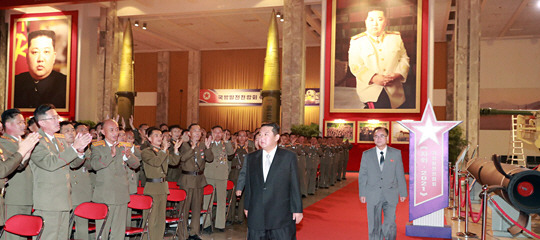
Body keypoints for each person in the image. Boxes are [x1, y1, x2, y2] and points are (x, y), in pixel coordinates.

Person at [29, 104, 92, 240]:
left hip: (64, 199)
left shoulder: (60, 140)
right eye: (53, 118)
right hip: (48, 201)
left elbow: (73, 164)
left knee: (62, 236)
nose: (58, 120)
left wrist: (80, 151)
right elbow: (50, 164)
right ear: (41, 122)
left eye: (57, 117)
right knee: (48, 237)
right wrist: (74, 148)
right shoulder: (36, 141)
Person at [244, 123, 303, 239]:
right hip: (257, 213)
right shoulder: (251, 158)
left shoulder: (288, 157)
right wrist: (247, 206)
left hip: (281, 215)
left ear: (276, 138)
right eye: (260, 135)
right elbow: (249, 184)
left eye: (266, 134)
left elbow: (294, 184)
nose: (261, 138)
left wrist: (297, 209)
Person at [348, 9, 410, 109]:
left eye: (380, 19)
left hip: (396, 92)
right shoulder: (357, 41)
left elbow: (404, 58)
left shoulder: (395, 38)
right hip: (371, 91)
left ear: (385, 22)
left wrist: (398, 74)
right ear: (366, 22)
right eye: (371, 20)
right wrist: (374, 78)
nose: (375, 24)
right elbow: (355, 65)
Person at [90, 119, 140, 240]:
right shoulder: (97, 146)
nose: (115, 133)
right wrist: (110, 155)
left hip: (121, 194)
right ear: (103, 131)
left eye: (117, 129)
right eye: (111, 130)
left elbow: (136, 164)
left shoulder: (122, 146)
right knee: (103, 230)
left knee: (118, 231)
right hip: (105, 195)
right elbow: (94, 165)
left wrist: (128, 157)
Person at [358, 127, 407, 240]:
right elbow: (363, 175)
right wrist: (362, 193)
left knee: (389, 223)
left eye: (381, 136)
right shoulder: (367, 154)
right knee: (374, 225)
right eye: (376, 136)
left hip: (390, 193)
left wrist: (403, 192)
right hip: (372, 194)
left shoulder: (396, 153)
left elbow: (400, 173)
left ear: (387, 138)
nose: (378, 138)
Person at [0, 109, 40, 230]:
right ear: (8, 124)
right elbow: (5, 168)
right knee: (11, 234)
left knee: (23, 232)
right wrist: (21, 152)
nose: (24, 125)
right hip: (13, 196)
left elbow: (20, 165)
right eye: (20, 122)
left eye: (24, 122)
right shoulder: (3, 142)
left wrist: (25, 156)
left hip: (26, 195)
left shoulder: (23, 142)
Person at [141, 127, 181, 239]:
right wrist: (164, 150)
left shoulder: (164, 152)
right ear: (149, 138)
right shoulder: (146, 152)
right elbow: (156, 162)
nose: (159, 138)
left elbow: (174, 162)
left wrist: (176, 150)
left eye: (160, 136)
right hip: (152, 187)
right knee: (151, 218)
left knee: (160, 219)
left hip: (162, 187)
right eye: (156, 135)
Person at [14, 30, 67, 109]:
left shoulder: (66, 84)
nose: (40, 59)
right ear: (27, 56)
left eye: (46, 52)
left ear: (54, 57)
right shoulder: (14, 83)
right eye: (35, 52)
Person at [178, 123, 214, 240]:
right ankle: (183, 234)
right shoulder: (183, 145)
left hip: (199, 180)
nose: (198, 133)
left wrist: (208, 148)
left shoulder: (203, 145)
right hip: (187, 180)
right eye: (195, 131)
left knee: (197, 208)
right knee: (184, 208)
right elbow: (182, 159)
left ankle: (194, 232)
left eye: (199, 131)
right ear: (189, 133)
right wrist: (192, 149)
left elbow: (210, 159)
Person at [61, 121, 93, 240]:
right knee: (65, 228)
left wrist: (82, 152)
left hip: (81, 192)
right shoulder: (59, 148)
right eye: (67, 131)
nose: (71, 133)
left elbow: (90, 165)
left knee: (82, 227)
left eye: (72, 130)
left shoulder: (85, 148)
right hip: (66, 192)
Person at [203, 125, 234, 233]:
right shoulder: (207, 144)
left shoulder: (225, 144)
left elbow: (231, 154)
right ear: (211, 133)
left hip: (222, 175)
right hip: (209, 175)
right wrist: (208, 145)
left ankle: (220, 224)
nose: (218, 134)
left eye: (220, 132)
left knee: (221, 200)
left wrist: (227, 142)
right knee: (207, 200)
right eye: (215, 132)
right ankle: (206, 224)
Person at [227, 130, 253, 225]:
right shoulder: (233, 147)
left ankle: (241, 218)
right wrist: (234, 149)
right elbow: (229, 158)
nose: (242, 138)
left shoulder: (250, 149)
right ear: (237, 137)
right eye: (240, 136)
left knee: (243, 196)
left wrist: (247, 151)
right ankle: (230, 218)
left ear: (247, 138)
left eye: (244, 136)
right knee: (232, 195)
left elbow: (253, 161)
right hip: (234, 172)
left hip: (245, 173)